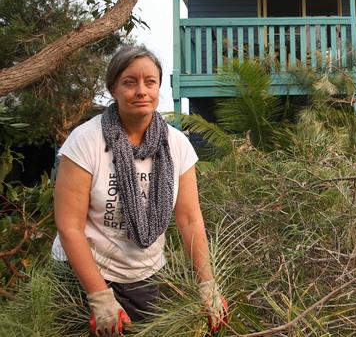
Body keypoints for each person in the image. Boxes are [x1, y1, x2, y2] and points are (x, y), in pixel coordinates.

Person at [52, 46, 227, 336]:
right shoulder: (85, 141)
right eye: (129, 82)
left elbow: (190, 220)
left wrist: (207, 285)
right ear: (113, 89)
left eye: (150, 82)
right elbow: (69, 226)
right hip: (83, 276)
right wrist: (99, 296)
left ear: (159, 87)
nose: (141, 91)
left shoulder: (177, 144)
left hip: (145, 276)